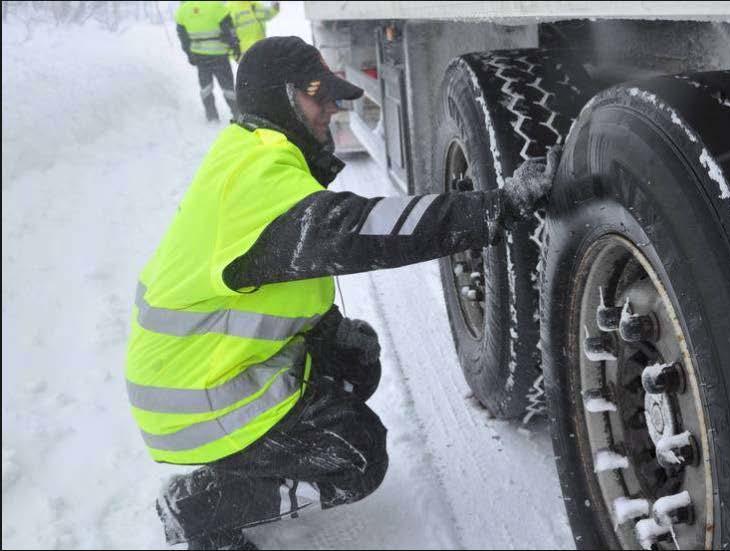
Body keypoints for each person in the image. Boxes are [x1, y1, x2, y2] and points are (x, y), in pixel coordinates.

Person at [125, 36, 559, 550]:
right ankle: (201, 506)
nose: (333, 105)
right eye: (316, 92)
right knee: (355, 459)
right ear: (276, 96)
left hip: (210, 371)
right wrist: (495, 206)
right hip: (193, 400)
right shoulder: (256, 172)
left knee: (353, 354)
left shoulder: (253, 154)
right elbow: (359, 230)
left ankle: (254, 458)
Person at [175, 1, 241, 122]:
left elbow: (183, 37)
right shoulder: (217, 6)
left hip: (200, 56)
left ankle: (211, 116)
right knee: (228, 87)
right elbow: (230, 31)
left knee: (206, 87)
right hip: (219, 55)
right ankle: (238, 114)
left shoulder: (182, 10)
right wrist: (236, 47)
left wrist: (189, 54)